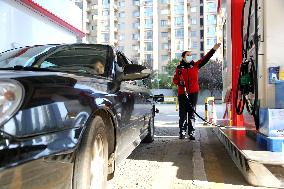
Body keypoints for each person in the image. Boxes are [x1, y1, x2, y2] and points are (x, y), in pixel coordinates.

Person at [173, 43, 221, 140]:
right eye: (188, 55)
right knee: (182, 113)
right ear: (183, 57)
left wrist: (213, 49)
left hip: (193, 93)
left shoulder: (195, 65)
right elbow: (174, 80)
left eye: (190, 55)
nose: (190, 56)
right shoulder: (179, 68)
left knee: (191, 113)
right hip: (182, 93)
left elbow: (205, 58)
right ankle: (182, 132)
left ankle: (191, 133)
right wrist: (179, 82)